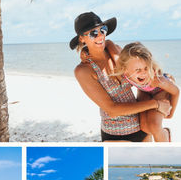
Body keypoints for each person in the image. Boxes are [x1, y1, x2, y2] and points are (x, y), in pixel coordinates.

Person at [70, 12, 171, 142]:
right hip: (115, 134)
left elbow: (138, 71)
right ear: (82, 39)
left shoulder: (115, 50)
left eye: (102, 30)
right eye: (93, 33)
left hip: (141, 126)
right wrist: (155, 104)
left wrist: (162, 78)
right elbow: (112, 110)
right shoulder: (83, 70)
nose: (100, 35)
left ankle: (164, 134)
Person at [108, 42, 179, 142]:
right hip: (145, 91)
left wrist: (171, 113)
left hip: (161, 90)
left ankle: (165, 138)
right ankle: (164, 132)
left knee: (154, 126)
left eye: (146, 68)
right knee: (144, 128)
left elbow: (176, 91)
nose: (143, 73)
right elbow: (113, 48)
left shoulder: (157, 79)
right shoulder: (124, 70)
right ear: (125, 70)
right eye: (138, 70)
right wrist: (104, 44)